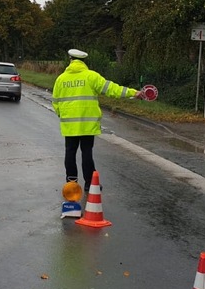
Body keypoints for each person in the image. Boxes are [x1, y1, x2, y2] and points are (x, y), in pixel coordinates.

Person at [52, 48, 144, 192]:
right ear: (84, 61)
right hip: (88, 124)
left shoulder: (61, 79)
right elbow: (112, 89)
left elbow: (55, 101)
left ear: (70, 60)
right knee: (86, 152)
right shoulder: (91, 76)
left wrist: (62, 114)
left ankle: (71, 184)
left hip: (69, 125)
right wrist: (133, 92)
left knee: (70, 152)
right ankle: (89, 183)